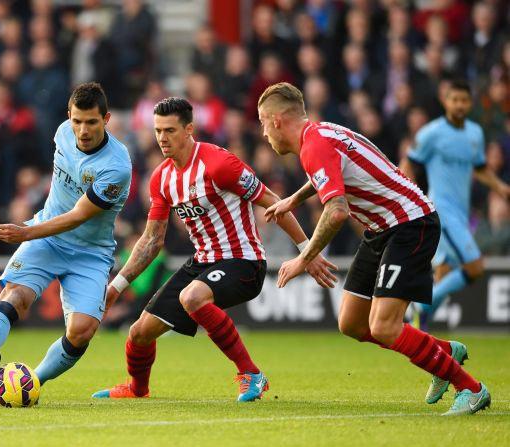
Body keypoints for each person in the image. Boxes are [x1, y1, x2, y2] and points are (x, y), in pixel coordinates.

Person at [259, 82, 490, 416]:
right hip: (381, 228)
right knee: (352, 323)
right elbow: (330, 174)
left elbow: (337, 211)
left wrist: (303, 258)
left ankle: (471, 388)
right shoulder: (319, 135)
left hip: (410, 223)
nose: (264, 134)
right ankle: (444, 353)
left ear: (277, 121)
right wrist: (293, 200)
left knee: (384, 326)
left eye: (264, 124)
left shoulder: (313, 147)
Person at [92, 97, 337, 402]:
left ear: (189, 129)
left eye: (170, 130)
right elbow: (152, 240)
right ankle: (137, 388)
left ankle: (252, 374)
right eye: (157, 131)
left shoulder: (219, 164)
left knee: (192, 296)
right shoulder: (162, 178)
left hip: (244, 261)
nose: (162, 138)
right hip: (202, 263)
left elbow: (275, 203)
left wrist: (307, 253)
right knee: (139, 333)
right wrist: (116, 286)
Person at [0, 83, 132, 395]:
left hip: (89, 251)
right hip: (48, 239)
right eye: (77, 121)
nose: (83, 130)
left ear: (106, 119)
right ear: (68, 116)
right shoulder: (62, 133)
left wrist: (26, 232)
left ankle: (31, 382)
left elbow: (79, 215)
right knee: (17, 296)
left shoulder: (116, 166)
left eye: (92, 122)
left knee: (82, 330)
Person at [400, 80, 510, 330]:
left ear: (470, 103)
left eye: (464, 100)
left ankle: (421, 331)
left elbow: (480, 169)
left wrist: (500, 187)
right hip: (440, 211)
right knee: (475, 266)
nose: (459, 105)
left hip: (460, 213)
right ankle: (420, 306)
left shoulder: (475, 133)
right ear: (445, 101)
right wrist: (413, 196)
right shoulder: (431, 133)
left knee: (444, 273)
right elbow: (408, 163)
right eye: (455, 100)